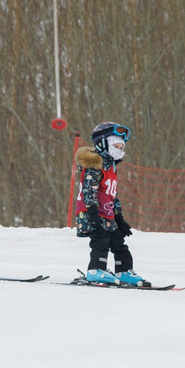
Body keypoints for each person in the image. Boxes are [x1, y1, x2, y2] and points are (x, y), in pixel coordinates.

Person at [74, 120, 144, 285]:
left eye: (122, 148)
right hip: (91, 213)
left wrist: (119, 218)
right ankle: (95, 270)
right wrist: (92, 215)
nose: (120, 151)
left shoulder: (111, 167)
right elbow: (89, 191)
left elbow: (112, 196)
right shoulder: (94, 165)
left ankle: (124, 271)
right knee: (100, 241)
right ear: (103, 144)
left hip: (107, 214)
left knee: (118, 241)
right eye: (116, 146)